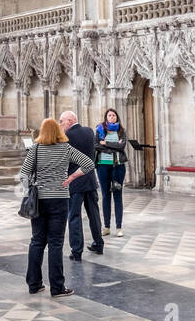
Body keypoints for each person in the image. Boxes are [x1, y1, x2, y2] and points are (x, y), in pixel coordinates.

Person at [21, 117, 96, 297]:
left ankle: (34, 284)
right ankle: (57, 287)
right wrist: (71, 178)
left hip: (39, 199)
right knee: (55, 243)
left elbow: (23, 173)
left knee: (37, 240)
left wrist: (29, 190)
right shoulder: (65, 148)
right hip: (60, 199)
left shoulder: (36, 149)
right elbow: (89, 164)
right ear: (58, 132)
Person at [58, 111, 102, 260]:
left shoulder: (66, 137)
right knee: (94, 213)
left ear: (70, 121)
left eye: (62, 121)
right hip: (90, 179)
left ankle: (77, 251)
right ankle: (98, 243)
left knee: (74, 216)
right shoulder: (89, 131)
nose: (60, 124)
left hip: (75, 182)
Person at [94, 108, 128, 236]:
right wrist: (112, 147)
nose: (112, 117)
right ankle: (106, 227)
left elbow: (122, 146)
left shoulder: (121, 131)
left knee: (118, 195)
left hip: (118, 166)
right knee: (105, 196)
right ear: (106, 117)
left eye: (114, 115)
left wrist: (106, 143)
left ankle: (119, 228)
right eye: (109, 115)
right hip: (103, 166)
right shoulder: (100, 129)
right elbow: (96, 145)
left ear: (117, 117)